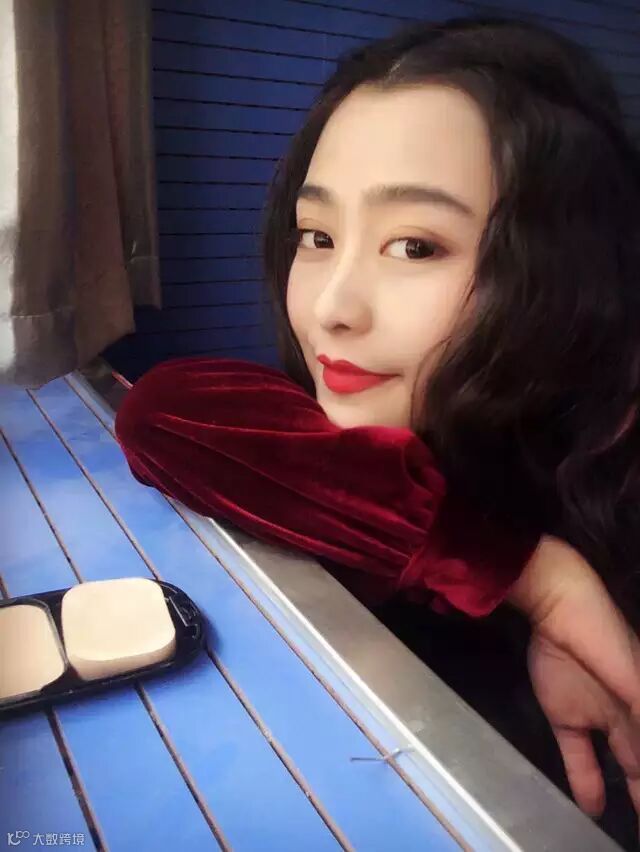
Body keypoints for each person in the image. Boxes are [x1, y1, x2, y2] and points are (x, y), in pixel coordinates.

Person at [114, 17, 640, 846]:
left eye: (415, 246)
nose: (333, 306)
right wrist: (534, 575)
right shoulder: (357, 433)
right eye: (318, 237)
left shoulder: (612, 463)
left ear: (563, 268)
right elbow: (164, 415)